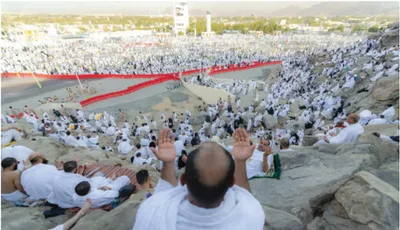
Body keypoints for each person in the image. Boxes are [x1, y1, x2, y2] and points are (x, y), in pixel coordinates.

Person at [133, 128, 265, 230]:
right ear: (232, 183)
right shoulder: (251, 218)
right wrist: (240, 161)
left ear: (183, 180)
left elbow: (162, 198)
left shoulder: (152, 215)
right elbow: (245, 197)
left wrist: (168, 163)